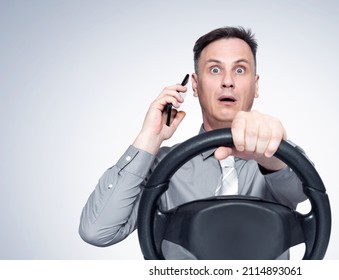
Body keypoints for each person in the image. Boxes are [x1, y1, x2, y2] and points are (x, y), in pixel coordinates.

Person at [79, 26, 308, 259]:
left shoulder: (282, 157)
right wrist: (149, 138)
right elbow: (97, 231)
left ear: (255, 85)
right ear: (196, 86)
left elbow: (301, 189)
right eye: (215, 69)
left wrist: (269, 154)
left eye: (239, 70)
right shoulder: (163, 165)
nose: (228, 81)